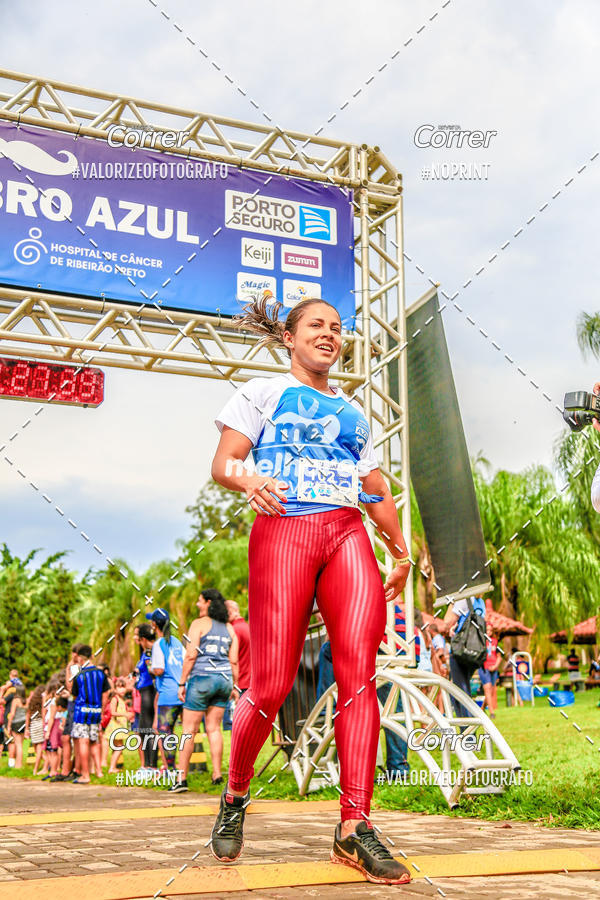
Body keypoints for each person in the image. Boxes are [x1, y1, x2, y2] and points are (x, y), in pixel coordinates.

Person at [208, 294, 412, 885]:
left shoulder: (351, 412)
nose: (330, 334)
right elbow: (224, 463)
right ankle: (235, 793)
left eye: (337, 328)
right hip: (285, 532)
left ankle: (354, 826)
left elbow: (373, 487)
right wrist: (253, 477)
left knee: (358, 677)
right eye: (316, 326)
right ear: (290, 338)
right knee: (269, 683)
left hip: (346, 535)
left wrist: (400, 550)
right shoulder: (260, 393)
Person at [171, 590, 239, 793]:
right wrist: (235, 685)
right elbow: (233, 660)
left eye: (199, 601)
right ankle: (217, 775)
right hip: (224, 680)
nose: (197, 604)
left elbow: (191, 655)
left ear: (208, 602)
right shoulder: (229, 628)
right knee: (214, 728)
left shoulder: (198, 625)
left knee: (189, 730)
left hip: (202, 679)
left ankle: (181, 779)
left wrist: (182, 683)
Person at [147, 608, 184, 770]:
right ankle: (181, 768)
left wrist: (150, 668)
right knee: (181, 731)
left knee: (164, 732)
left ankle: (171, 769)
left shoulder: (158, 644)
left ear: (154, 624)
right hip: (183, 692)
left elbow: (159, 670)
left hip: (168, 694)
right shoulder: (177, 642)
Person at [71, 644, 110, 783]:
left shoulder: (79, 675)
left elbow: (74, 696)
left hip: (82, 713)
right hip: (96, 711)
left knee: (83, 742)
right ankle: (99, 771)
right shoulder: (101, 674)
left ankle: (85, 775)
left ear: (80, 659)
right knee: (94, 741)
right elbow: (106, 693)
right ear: (91, 656)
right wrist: (102, 708)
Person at [443, 595, 486, 719]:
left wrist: (452, 601)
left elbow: (447, 622)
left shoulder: (463, 599)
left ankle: (468, 731)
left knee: (460, 692)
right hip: (474, 652)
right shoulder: (480, 602)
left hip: (460, 651)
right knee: (463, 688)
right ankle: (468, 727)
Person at [137, 624, 158, 770]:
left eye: (137, 636)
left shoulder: (150, 652)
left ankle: (152, 766)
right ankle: (146, 765)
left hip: (149, 691)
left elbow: (152, 671)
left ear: (143, 638)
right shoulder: (146, 651)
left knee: (148, 729)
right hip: (144, 691)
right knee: (143, 729)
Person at [225, 599, 251, 699]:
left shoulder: (234, 630)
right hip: (251, 683)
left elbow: (233, 660)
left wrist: (234, 685)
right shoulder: (248, 627)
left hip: (240, 684)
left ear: (230, 612)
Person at [104, 678, 131, 774]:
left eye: (123, 687)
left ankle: (113, 767)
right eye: (119, 687)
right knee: (119, 747)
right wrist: (124, 715)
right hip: (116, 726)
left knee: (117, 747)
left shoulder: (121, 699)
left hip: (119, 726)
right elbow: (112, 712)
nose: (122, 690)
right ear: (115, 689)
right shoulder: (115, 699)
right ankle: (112, 767)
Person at [477, 623, 501, 719]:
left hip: (494, 668)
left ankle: (482, 708)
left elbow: (499, 656)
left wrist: (495, 666)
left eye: (490, 630)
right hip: (484, 667)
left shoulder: (495, 642)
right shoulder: (480, 642)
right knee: (487, 688)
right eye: (487, 630)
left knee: (491, 691)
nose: (489, 632)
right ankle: (492, 712)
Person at [25, 684, 46, 775]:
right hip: (41, 722)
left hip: (33, 724)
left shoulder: (32, 701)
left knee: (36, 749)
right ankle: (42, 765)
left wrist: (26, 728)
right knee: (39, 749)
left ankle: (44, 764)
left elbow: (28, 715)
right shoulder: (44, 700)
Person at [5, 684, 26, 769]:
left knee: (18, 744)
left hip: (16, 723)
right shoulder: (26, 700)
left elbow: (12, 714)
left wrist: (9, 726)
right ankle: (19, 763)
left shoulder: (15, 700)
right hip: (23, 723)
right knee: (20, 744)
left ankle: (18, 765)